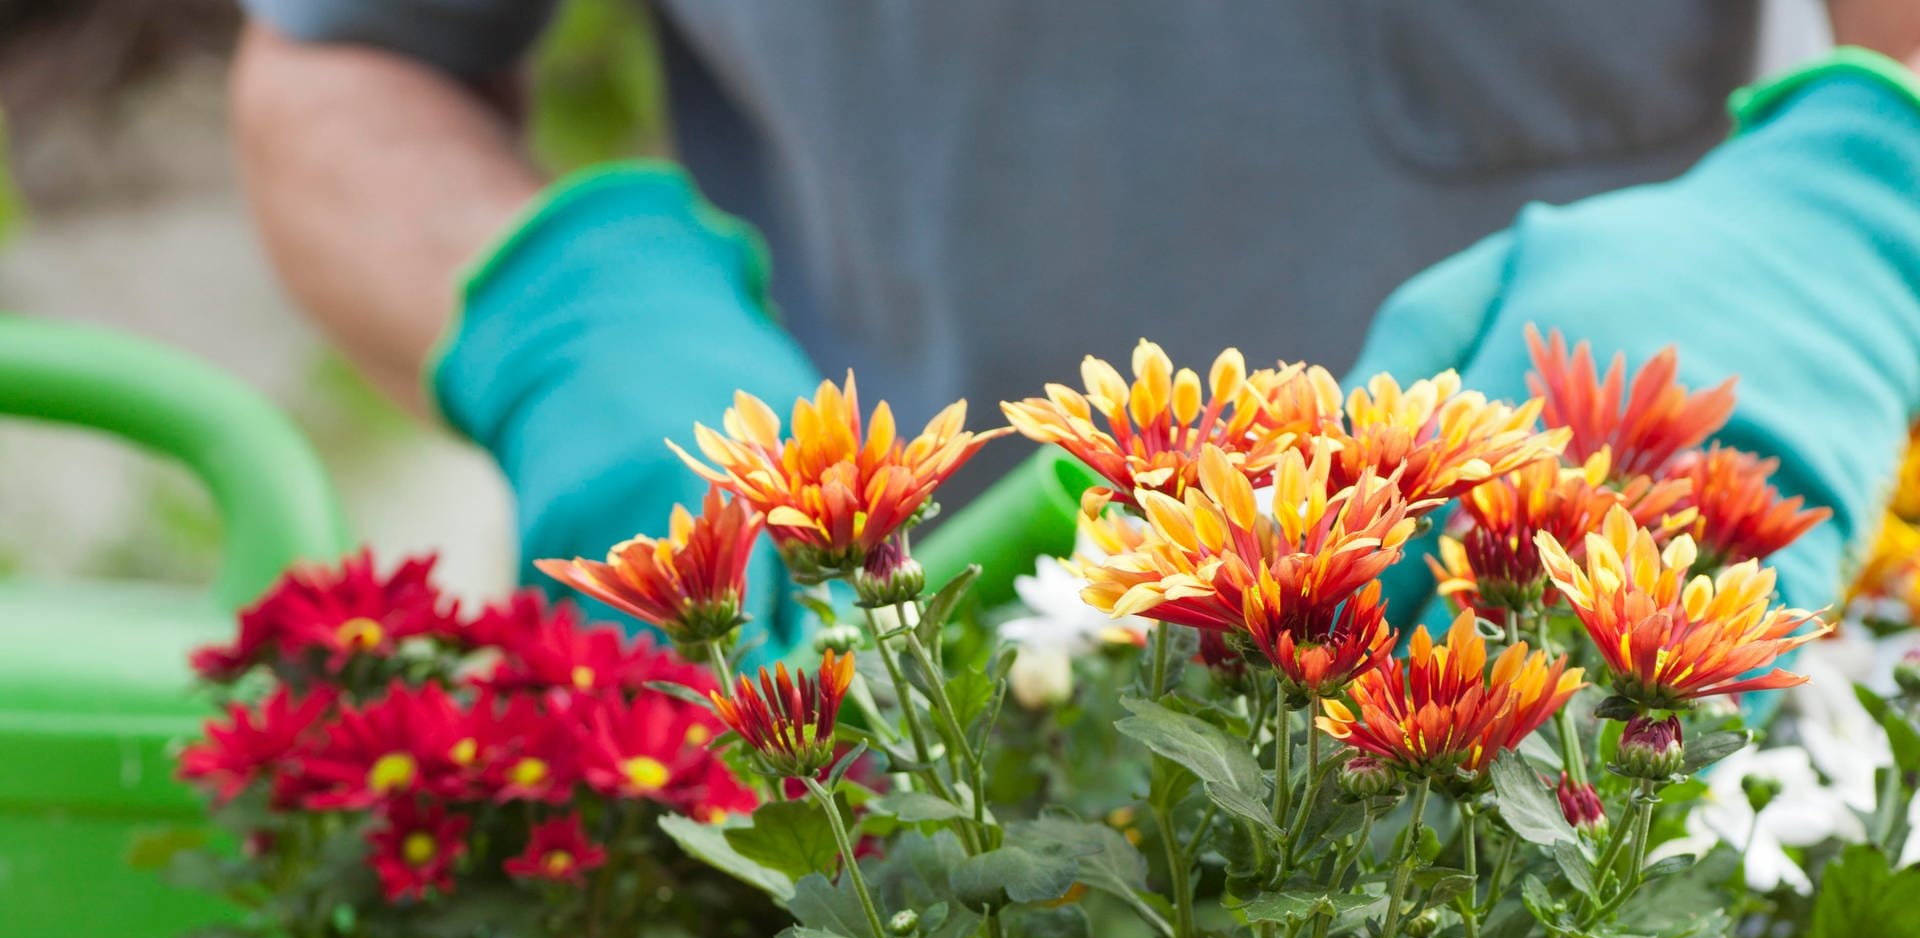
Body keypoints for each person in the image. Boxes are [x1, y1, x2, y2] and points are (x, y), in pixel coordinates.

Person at [232, 1, 1920, 637]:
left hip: (1591, 611)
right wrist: (577, 326)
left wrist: (1847, 219)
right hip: (911, 652)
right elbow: (346, 65)